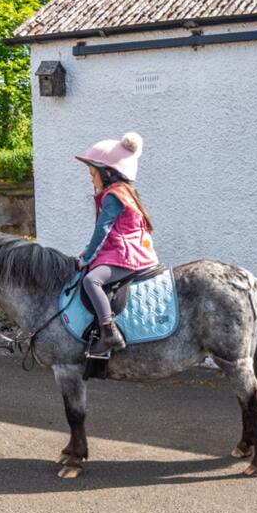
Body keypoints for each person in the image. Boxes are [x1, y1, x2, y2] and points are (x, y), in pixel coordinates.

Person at [73, 132, 158, 354]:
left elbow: (102, 229)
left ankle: (109, 333)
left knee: (91, 281)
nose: (91, 179)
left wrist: (88, 257)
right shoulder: (125, 192)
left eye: (93, 174)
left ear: (108, 173)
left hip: (126, 255)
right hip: (127, 250)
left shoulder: (114, 195)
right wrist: (88, 251)